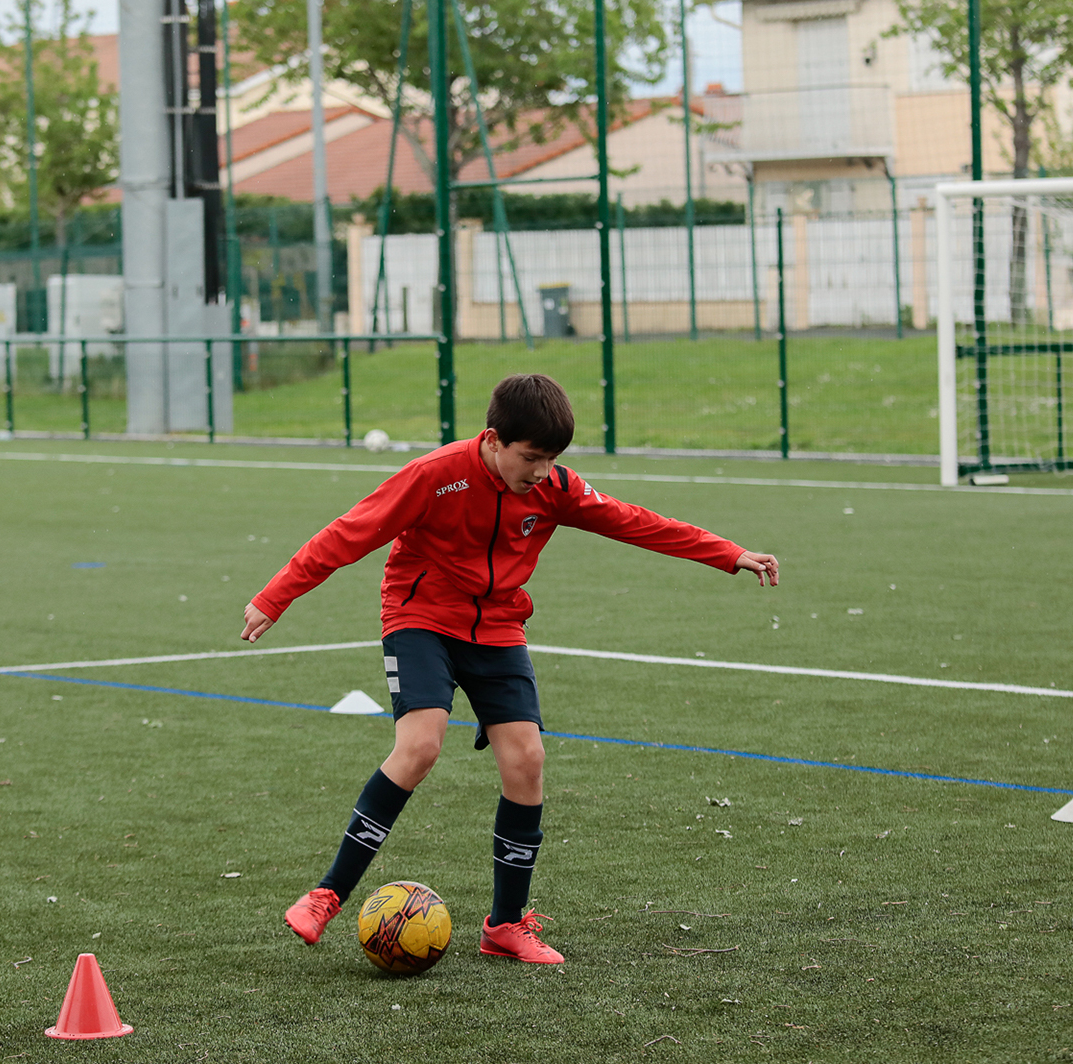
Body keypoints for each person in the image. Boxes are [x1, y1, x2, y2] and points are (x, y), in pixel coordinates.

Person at [241, 374, 778, 964]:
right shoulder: (435, 475)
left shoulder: (556, 488)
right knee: (419, 746)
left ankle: (505, 925)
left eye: (552, 459)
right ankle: (327, 894)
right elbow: (350, 533)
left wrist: (726, 552)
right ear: (494, 439)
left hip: (498, 627)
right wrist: (276, 596)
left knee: (527, 759)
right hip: (421, 617)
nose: (543, 471)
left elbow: (632, 520)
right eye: (532, 457)